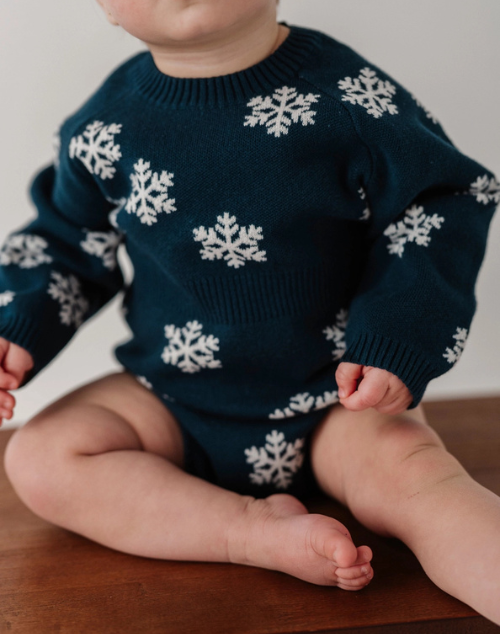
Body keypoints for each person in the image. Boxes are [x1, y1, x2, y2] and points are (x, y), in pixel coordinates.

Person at [1, 0, 499, 623]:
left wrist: (398, 336)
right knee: (41, 458)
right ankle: (248, 533)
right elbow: (67, 244)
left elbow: (442, 203)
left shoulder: (346, 99)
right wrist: (16, 330)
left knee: (424, 485)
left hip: (335, 403)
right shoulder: (105, 128)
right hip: (171, 400)